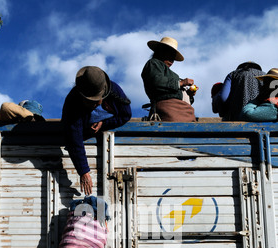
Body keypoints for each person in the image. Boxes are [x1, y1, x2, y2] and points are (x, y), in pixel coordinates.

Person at [62, 66, 132, 196]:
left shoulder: (114, 90)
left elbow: (125, 115)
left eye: (96, 101)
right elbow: (74, 138)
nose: (95, 104)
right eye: (90, 101)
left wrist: (104, 124)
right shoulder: (72, 102)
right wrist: (84, 171)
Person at [141, 36, 197, 122]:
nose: (171, 61)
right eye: (169, 55)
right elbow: (157, 82)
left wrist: (189, 94)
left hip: (185, 111)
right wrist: (182, 83)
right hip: (170, 110)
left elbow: (174, 94)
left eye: (173, 58)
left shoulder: (170, 74)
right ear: (160, 51)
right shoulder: (153, 63)